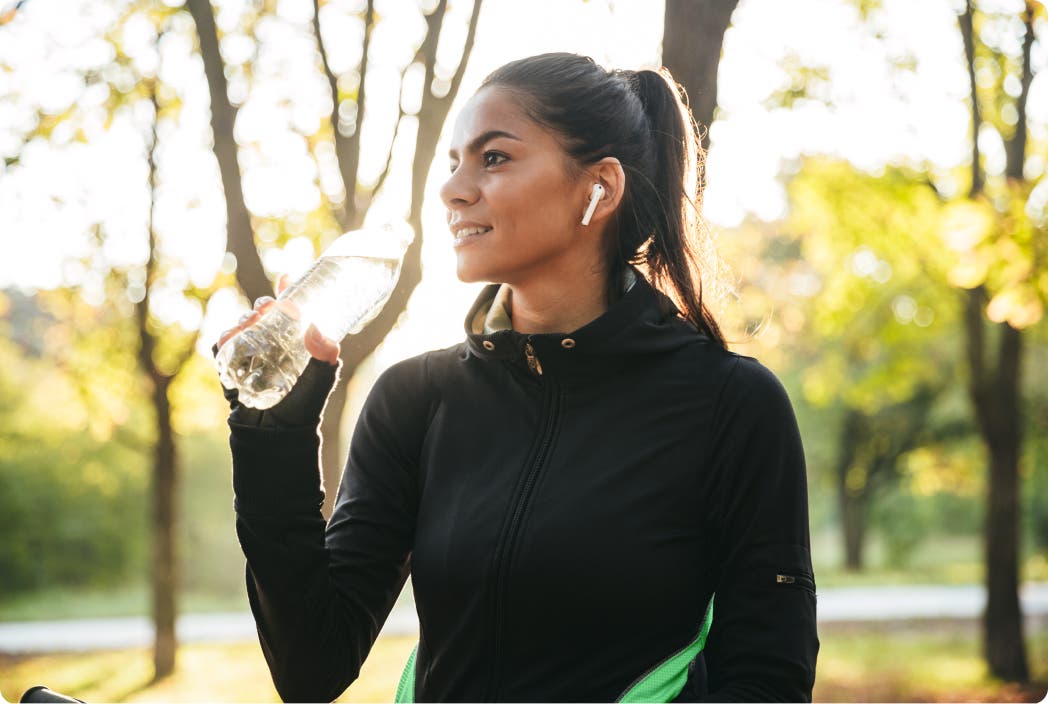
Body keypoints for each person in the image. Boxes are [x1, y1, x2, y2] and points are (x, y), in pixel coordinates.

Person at [217, 52, 818, 702]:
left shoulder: (730, 405)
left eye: (493, 158)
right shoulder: (415, 400)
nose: (453, 188)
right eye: (452, 163)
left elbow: (767, 676)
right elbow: (312, 665)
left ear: (600, 188)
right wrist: (273, 435)